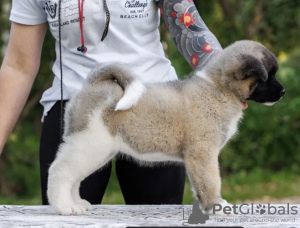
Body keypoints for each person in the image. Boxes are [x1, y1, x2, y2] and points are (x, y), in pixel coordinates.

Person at [0, 0, 222, 205]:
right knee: (65, 216)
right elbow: (18, 67)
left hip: (154, 105)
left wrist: (226, 80)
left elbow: (189, 29)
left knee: (159, 218)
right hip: (78, 105)